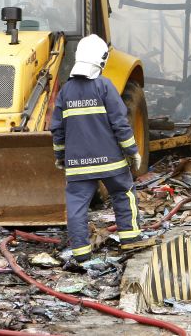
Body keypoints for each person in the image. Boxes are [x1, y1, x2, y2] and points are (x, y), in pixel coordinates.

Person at [50, 34, 144, 262]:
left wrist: (60, 156)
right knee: (123, 194)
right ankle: (130, 240)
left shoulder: (65, 92)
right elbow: (120, 123)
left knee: (76, 207)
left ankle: (81, 253)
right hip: (111, 162)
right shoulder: (104, 86)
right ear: (101, 60)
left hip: (78, 165)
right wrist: (132, 151)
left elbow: (58, 130)